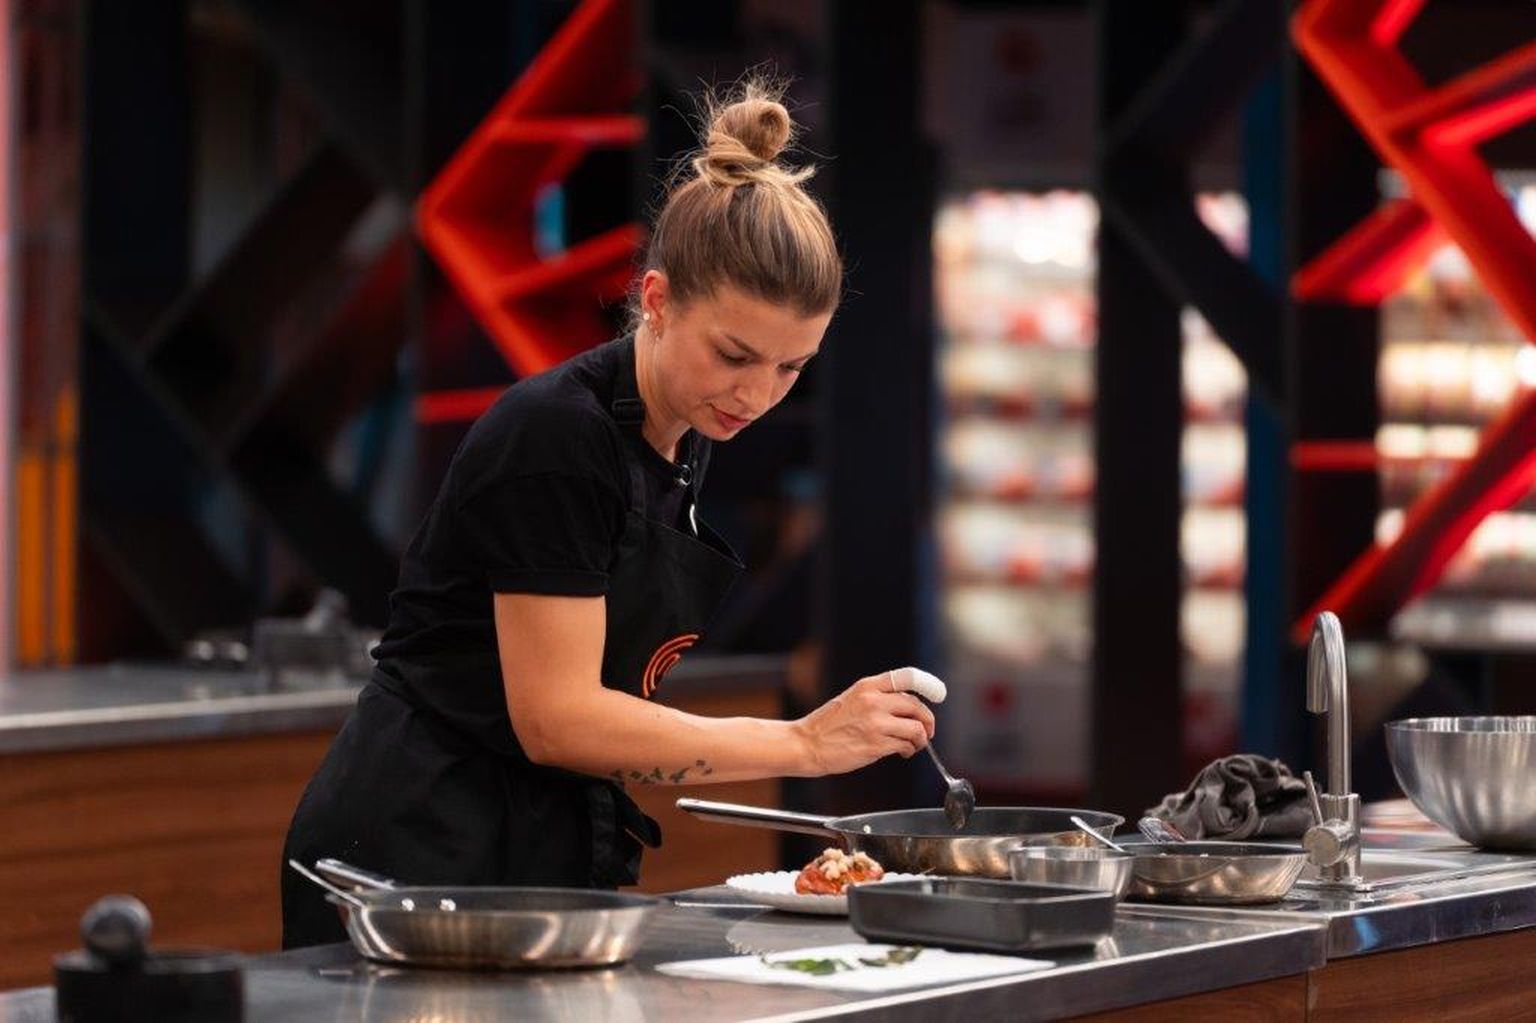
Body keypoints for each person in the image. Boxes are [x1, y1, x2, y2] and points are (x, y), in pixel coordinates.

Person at [280, 80, 939, 948]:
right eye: (734, 354)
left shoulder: (684, 435)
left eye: (790, 369)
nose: (755, 393)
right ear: (657, 301)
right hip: (418, 844)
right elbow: (558, 718)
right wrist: (806, 743)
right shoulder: (559, 436)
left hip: (527, 841)